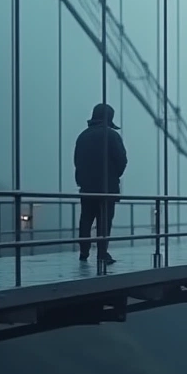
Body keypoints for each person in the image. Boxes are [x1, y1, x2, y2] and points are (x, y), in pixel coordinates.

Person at [73, 102, 127, 266]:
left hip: (87, 188)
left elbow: (77, 161)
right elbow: (122, 161)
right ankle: (102, 253)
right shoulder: (112, 136)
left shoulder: (83, 136)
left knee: (86, 220)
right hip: (106, 188)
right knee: (104, 222)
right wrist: (113, 177)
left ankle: (83, 253)